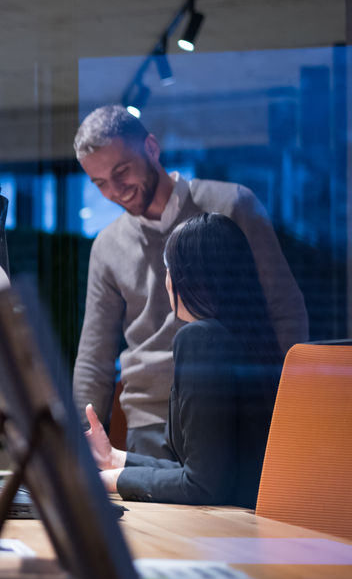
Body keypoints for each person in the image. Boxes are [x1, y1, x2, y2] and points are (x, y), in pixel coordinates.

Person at [71, 104, 306, 460]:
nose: (116, 191)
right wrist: (81, 438)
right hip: (148, 422)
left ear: (151, 148)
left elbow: (284, 308)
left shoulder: (231, 206)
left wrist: (290, 410)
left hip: (231, 412)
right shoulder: (107, 245)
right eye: (100, 183)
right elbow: (94, 354)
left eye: (122, 171)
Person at [84, 213, 283, 508]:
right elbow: (208, 472)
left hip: (230, 532)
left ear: (184, 279)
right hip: (253, 524)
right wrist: (114, 459)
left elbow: (201, 485)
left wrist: (109, 481)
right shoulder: (250, 341)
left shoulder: (200, 339)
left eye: (169, 269)